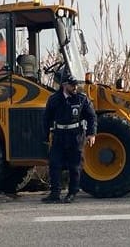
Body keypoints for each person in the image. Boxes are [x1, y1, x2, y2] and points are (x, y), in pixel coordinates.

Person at [42, 72, 97, 203]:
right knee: (55, 164)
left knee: (75, 166)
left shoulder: (81, 99)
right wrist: (45, 136)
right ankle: (55, 193)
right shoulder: (54, 99)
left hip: (76, 136)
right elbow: (46, 118)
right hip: (59, 135)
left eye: (76, 85)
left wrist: (91, 134)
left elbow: (91, 117)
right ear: (64, 85)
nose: (75, 88)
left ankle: (72, 192)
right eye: (72, 85)